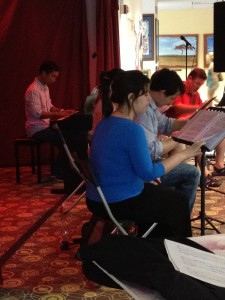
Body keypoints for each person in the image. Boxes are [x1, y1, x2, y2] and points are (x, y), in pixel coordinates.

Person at [86, 70, 204, 239]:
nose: (149, 99)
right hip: (116, 200)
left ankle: (154, 243)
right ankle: (176, 249)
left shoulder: (106, 122)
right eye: (145, 94)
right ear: (131, 97)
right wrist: (185, 154)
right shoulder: (132, 129)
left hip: (98, 198)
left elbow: (123, 165)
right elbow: (149, 172)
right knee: (177, 201)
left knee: (164, 196)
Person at [134, 68, 200, 212]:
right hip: (143, 172)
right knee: (193, 173)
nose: (171, 102)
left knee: (181, 162)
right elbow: (150, 152)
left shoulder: (149, 107)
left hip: (142, 168)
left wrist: (189, 125)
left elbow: (166, 124)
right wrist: (181, 137)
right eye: (171, 98)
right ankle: (179, 221)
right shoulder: (143, 112)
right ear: (162, 92)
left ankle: (168, 212)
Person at [25, 60, 88, 191]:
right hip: (36, 129)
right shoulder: (33, 90)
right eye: (52, 76)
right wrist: (58, 115)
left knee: (71, 136)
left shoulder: (44, 87)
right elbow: (38, 114)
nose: (54, 80)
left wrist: (62, 111)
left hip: (45, 126)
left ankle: (61, 171)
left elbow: (50, 106)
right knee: (66, 140)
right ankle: (59, 173)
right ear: (43, 73)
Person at [166, 68, 225, 181]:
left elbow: (199, 111)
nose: (198, 87)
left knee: (219, 132)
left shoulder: (196, 94)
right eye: (197, 83)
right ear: (189, 79)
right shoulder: (179, 89)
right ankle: (206, 174)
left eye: (201, 84)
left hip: (190, 125)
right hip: (178, 126)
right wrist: (199, 107)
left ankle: (219, 164)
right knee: (197, 139)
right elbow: (178, 108)